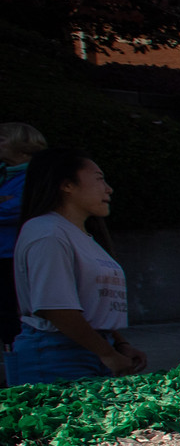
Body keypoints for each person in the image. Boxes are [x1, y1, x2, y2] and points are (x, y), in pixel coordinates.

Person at [8, 150, 147, 384]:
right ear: (67, 185)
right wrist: (107, 353)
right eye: (99, 178)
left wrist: (118, 344)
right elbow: (56, 308)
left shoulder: (77, 234)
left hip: (88, 349)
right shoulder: (48, 233)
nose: (108, 189)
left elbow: (89, 306)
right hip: (56, 355)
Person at [1, 121, 50, 350]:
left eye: (2, 139)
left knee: (12, 312)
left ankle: (17, 363)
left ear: (22, 147)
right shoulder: (5, 174)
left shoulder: (36, 177)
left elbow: (21, 208)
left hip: (14, 256)